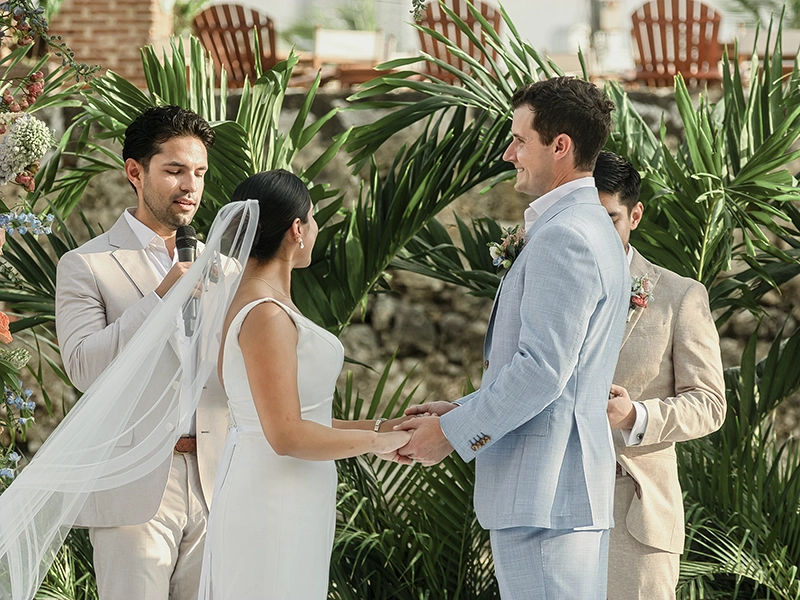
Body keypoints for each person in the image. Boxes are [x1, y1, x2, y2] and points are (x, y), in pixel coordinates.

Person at [399, 77, 630, 599]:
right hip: (559, 493)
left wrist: (453, 432)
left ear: (560, 146)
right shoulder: (589, 226)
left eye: (520, 140)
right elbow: (559, 371)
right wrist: (459, 406)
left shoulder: (566, 235)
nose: (509, 153)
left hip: (545, 496)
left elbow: (543, 371)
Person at [199, 169, 411, 599]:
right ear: (297, 229)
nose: (314, 229)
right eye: (313, 219)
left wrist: (388, 427)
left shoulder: (267, 303)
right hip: (274, 497)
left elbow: (308, 418)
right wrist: (376, 444)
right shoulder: (265, 314)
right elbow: (286, 434)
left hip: (292, 491)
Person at [54, 105, 225, 600]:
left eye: (198, 173)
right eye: (174, 170)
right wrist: (162, 298)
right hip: (135, 484)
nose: (189, 186)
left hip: (217, 484)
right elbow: (85, 367)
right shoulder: (86, 265)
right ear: (135, 171)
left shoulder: (227, 267)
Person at [593, 151, 726, 599]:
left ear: (635, 215)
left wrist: (636, 416)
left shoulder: (679, 296)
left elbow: (709, 404)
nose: (594, 236)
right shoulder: (539, 286)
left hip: (635, 513)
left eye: (608, 220)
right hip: (547, 506)